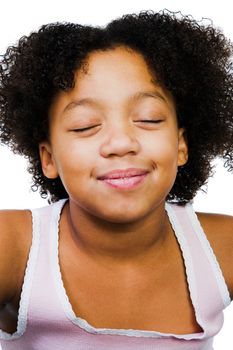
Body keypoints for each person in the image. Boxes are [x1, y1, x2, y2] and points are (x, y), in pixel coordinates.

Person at [0, 9, 232, 350]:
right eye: (85, 126)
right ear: (48, 158)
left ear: (182, 144)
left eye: (149, 119)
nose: (121, 143)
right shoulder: (14, 247)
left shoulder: (222, 248)